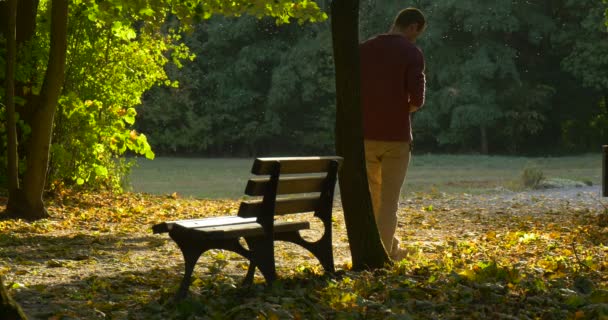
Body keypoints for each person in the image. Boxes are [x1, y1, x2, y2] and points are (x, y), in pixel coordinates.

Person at [360, 7, 426, 260]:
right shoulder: (411, 52)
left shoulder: (363, 49)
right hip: (396, 138)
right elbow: (417, 99)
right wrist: (398, 111)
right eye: (417, 32)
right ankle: (384, 254)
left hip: (365, 137)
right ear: (413, 26)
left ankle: (389, 246)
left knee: (373, 198)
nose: (416, 37)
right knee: (389, 201)